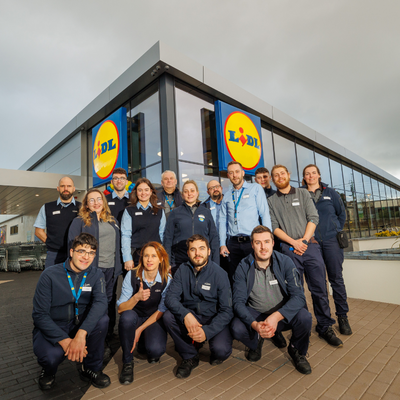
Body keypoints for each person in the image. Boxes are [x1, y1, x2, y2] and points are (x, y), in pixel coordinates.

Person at [268, 165, 342, 347]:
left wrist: (305, 241)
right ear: (273, 179)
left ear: (288, 175)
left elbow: (313, 217)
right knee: (296, 291)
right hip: (289, 250)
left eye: (282, 173)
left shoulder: (302, 194)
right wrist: (294, 243)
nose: (279, 177)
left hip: (310, 247)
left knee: (320, 289)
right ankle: (303, 326)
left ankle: (325, 326)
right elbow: (274, 227)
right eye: (276, 175)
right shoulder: (271, 201)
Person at [32, 233, 110, 390]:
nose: (86, 257)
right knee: (51, 356)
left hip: (80, 323)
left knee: (103, 320)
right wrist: (67, 342)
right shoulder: (50, 275)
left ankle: (91, 368)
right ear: (72, 252)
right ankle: (48, 371)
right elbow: (39, 315)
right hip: (55, 325)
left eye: (91, 252)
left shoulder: (96, 274)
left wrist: (81, 334)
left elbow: (101, 302)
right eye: (81, 251)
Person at [231, 226, 313, 374]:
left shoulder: (286, 262)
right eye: (258, 242)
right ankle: (256, 341)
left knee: (305, 317)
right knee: (236, 327)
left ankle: (297, 351)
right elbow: (237, 302)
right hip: (257, 315)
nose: (263, 247)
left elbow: (299, 297)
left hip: (281, 314)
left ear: (273, 243)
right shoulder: (243, 266)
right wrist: (255, 325)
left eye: (266, 241)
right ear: (252, 245)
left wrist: (276, 317)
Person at [163, 234, 233, 378]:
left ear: (208, 251)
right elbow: (170, 298)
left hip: (213, 318)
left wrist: (207, 332)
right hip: (192, 316)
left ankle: (204, 340)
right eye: (193, 250)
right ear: (188, 253)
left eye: (201, 249)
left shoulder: (220, 274)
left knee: (220, 351)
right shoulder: (182, 270)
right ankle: (190, 355)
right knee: (168, 316)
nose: (197, 253)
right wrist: (186, 315)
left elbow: (227, 310)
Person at [302, 164, 352, 335]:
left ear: (319, 175)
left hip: (331, 242)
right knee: (318, 283)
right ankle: (324, 320)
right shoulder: (301, 194)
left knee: (336, 279)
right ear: (304, 177)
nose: (311, 176)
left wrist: (335, 229)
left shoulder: (331, 193)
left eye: (313, 173)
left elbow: (341, 214)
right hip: (312, 242)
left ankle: (343, 317)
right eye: (307, 174)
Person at [117, 242, 171, 384]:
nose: (149, 260)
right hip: (134, 316)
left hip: (153, 318)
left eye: (154, 256)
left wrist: (139, 330)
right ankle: (127, 363)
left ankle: (142, 340)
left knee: (155, 351)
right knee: (126, 318)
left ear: (161, 259)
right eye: (146, 256)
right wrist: (136, 297)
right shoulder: (132, 275)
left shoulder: (167, 279)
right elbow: (121, 309)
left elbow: (161, 310)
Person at [219, 161, 272, 284]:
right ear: (228, 176)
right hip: (232, 244)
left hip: (252, 242)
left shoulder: (255, 188)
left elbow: (264, 213)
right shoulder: (226, 196)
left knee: (255, 277)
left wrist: (268, 239)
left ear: (243, 173)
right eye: (231, 173)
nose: (234, 175)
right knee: (235, 278)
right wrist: (222, 243)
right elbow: (222, 221)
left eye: (237, 172)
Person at [68, 189, 122, 306]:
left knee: (110, 299)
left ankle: (109, 324)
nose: (96, 202)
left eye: (99, 199)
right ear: (86, 205)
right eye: (91, 200)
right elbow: (72, 246)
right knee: (93, 300)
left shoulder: (112, 221)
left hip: (111, 268)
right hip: (91, 268)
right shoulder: (79, 222)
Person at [163, 180, 219, 275]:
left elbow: (214, 238)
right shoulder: (175, 213)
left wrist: (216, 263)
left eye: (192, 191)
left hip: (202, 261)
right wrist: (167, 262)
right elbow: (167, 238)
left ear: (197, 193)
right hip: (180, 261)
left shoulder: (206, 212)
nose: (189, 194)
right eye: (186, 191)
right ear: (182, 195)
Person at [34, 176, 81, 268]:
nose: (66, 189)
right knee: (52, 281)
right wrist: (51, 243)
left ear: (74, 189)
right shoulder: (47, 207)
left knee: (75, 281)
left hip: (76, 253)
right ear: (58, 188)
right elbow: (38, 231)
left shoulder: (82, 208)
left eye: (69, 186)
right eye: (63, 186)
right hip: (54, 254)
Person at [121, 178, 166, 272]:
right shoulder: (129, 211)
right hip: (136, 256)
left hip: (155, 256)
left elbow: (163, 235)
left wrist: (164, 256)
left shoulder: (160, 211)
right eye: (140, 190)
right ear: (136, 192)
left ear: (151, 192)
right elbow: (125, 235)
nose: (143, 193)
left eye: (146, 190)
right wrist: (127, 258)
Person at [203, 179, 229, 273]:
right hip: (213, 246)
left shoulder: (230, 202)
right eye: (212, 188)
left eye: (217, 186)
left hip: (229, 243)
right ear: (208, 192)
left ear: (221, 188)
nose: (215, 189)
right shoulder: (203, 207)